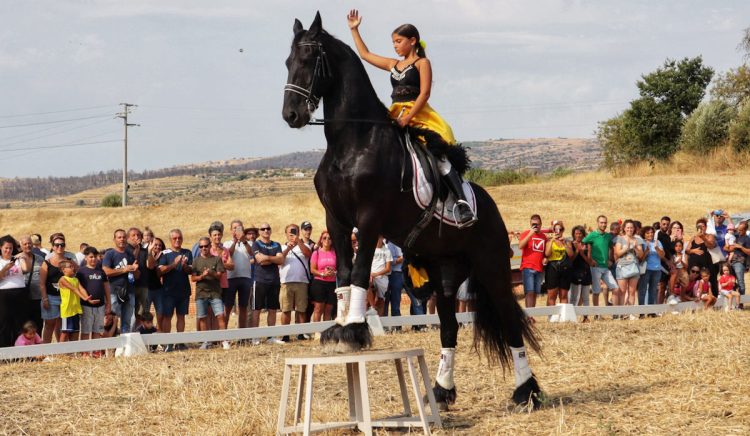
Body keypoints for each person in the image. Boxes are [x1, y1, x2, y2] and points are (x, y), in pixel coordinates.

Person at [346, 9, 476, 227]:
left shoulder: (422, 64)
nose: (395, 46)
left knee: (438, 156)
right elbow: (365, 55)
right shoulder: (392, 64)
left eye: (398, 41)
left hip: (419, 115)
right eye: (393, 42)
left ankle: (461, 203)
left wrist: (408, 118)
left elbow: (425, 94)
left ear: (412, 41)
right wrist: (354, 30)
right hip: (395, 114)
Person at [190, 237, 229, 349]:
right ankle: (206, 341)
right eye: (201, 246)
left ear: (209, 246)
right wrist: (202, 276)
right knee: (202, 317)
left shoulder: (217, 259)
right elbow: (193, 278)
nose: (203, 248)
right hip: (201, 293)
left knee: (220, 315)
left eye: (206, 246)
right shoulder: (196, 261)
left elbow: (219, 275)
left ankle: (224, 340)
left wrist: (211, 273)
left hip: (215, 292)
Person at [158, 229, 193, 346]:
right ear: (170, 240)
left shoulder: (187, 252)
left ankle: (180, 342)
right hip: (168, 291)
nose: (177, 240)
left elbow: (191, 270)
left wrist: (184, 266)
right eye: (175, 238)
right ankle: (168, 343)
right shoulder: (165, 253)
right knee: (167, 317)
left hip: (183, 291)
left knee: (181, 316)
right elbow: (160, 270)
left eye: (179, 238)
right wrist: (174, 264)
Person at [252, 223, 285, 345]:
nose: (266, 230)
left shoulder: (276, 244)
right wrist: (273, 258)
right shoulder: (256, 244)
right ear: (259, 232)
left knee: (272, 309)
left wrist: (267, 258)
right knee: (257, 309)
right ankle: (255, 337)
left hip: (274, 281)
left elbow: (281, 260)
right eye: (263, 229)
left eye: (268, 228)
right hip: (260, 280)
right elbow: (259, 260)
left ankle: (271, 336)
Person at [279, 224, 312, 342]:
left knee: (301, 309)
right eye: (290, 232)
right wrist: (288, 248)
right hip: (286, 282)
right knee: (286, 309)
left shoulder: (304, 245)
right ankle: (285, 334)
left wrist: (298, 242)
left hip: (302, 282)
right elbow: (280, 260)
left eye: (295, 232)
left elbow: (308, 254)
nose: (292, 234)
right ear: (286, 234)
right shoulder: (281, 247)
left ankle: (300, 333)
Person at [102, 229, 139, 333]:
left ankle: (124, 346)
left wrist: (135, 270)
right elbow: (106, 271)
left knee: (127, 321)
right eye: (119, 237)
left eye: (124, 237)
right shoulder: (110, 254)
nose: (122, 239)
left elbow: (136, 275)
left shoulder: (130, 254)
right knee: (112, 320)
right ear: (114, 239)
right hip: (114, 291)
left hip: (129, 291)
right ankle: (111, 346)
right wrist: (124, 269)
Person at [0, 235, 32, 347]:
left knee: (19, 322)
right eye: (6, 248)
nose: (8, 250)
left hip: (19, 292)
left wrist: (24, 257)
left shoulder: (17, 258)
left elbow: (26, 269)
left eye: (11, 248)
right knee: (4, 323)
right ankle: (4, 352)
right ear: (1, 248)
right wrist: (6, 268)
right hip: (4, 294)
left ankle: (20, 351)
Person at [224, 219, 255, 330]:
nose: (236, 230)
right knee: (227, 308)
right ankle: (224, 335)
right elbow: (228, 254)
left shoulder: (249, 243)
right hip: (231, 278)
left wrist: (244, 241)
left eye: (239, 228)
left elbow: (252, 254)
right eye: (234, 228)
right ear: (231, 230)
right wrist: (235, 242)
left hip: (245, 278)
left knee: (243, 308)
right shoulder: (227, 243)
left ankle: (242, 335)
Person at [57, 260, 98, 342]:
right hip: (67, 311)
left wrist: (88, 299)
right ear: (63, 269)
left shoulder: (76, 279)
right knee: (65, 333)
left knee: (75, 333)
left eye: (73, 266)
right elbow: (74, 289)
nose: (73, 268)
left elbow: (81, 289)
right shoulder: (62, 279)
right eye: (70, 267)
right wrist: (84, 298)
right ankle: (60, 353)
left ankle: (72, 353)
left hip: (75, 310)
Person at [38, 234, 69, 343]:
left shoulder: (69, 261)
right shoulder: (47, 262)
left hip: (66, 298)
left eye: (62, 245)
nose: (59, 247)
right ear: (53, 246)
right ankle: (45, 351)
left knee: (63, 325)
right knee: (49, 325)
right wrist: (45, 299)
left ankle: (61, 351)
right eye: (57, 245)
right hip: (51, 298)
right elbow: (41, 283)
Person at [77, 246, 111, 342]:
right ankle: (85, 353)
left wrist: (109, 303)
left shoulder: (101, 271)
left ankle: (96, 354)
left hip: (100, 306)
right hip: (86, 306)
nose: (93, 259)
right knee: (86, 331)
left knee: (98, 330)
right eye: (91, 257)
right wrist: (86, 298)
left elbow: (106, 287)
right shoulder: (81, 271)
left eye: (95, 257)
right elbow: (78, 288)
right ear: (86, 258)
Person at [613, 220, 644, 313]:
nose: (630, 229)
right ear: (624, 228)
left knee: (632, 292)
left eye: (631, 227)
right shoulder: (620, 238)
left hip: (634, 267)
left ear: (634, 229)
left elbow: (641, 255)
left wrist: (635, 247)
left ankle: (630, 313)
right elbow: (617, 253)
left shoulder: (637, 239)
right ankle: (622, 313)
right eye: (628, 227)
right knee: (622, 291)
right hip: (622, 267)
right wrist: (626, 248)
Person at [519, 215, 546, 309]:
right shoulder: (526, 233)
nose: (535, 226)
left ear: (541, 224)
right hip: (528, 267)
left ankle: (531, 315)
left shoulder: (543, 236)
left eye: (537, 224)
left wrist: (545, 259)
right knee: (529, 292)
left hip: (539, 268)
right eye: (533, 224)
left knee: (535, 293)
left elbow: (544, 252)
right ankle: (529, 316)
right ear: (530, 224)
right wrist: (530, 234)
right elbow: (521, 246)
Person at [309, 230, 337, 322]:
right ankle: (317, 331)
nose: (327, 240)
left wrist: (334, 272)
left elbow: (339, 269)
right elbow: (312, 270)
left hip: (332, 283)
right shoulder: (316, 253)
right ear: (321, 240)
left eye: (329, 238)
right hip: (319, 283)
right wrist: (322, 273)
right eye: (324, 238)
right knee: (318, 308)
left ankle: (326, 332)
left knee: (328, 309)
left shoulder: (335, 253)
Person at [543, 221, 573, 306]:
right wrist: (552, 240)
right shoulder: (549, 241)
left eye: (560, 229)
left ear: (563, 230)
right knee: (552, 295)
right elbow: (547, 254)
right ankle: (552, 316)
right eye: (556, 229)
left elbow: (570, 254)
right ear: (553, 230)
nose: (558, 231)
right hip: (553, 268)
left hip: (564, 269)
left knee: (564, 295)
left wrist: (564, 243)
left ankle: (563, 318)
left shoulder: (567, 241)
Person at [686, 218, 718, 296]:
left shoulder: (710, 236)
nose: (700, 228)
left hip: (706, 265)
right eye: (699, 226)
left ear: (706, 227)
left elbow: (711, 246)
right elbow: (687, 250)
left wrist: (703, 237)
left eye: (702, 226)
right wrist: (693, 251)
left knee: (709, 282)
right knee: (693, 284)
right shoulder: (693, 238)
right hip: (694, 267)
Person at [20, 236, 45, 335]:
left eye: (29, 243)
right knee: (24, 325)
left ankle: (38, 348)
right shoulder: (17, 259)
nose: (28, 245)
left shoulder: (40, 259)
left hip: (38, 298)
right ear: (21, 246)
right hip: (23, 299)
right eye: (25, 244)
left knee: (38, 325)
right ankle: (25, 349)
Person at [126, 227, 149, 331]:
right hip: (130, 286)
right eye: (133, 235)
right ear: (128, 238)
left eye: (138, 235)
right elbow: (131, 260)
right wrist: (138, 248)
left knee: (140, 313)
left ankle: (138, 334)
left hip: (143, 285)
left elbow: (150, 265)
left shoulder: (145, 251)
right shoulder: (125, 250)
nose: (136, 237)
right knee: (129, 313)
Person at [569, 225, 593, 321]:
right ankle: (572, 317)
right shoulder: (570, 244)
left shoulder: (587, 245)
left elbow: (589, 262)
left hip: (586, 272)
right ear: (573, 234)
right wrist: (577, 250)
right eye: (576, 233)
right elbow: (570, 260)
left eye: (580, 233)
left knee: (586, 297)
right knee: (573, 297)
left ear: (583, 234)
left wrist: (582, 252)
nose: (578, 235)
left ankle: (586, 317)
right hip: (574, 272)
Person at [638, 226, 664, 307]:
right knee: (642, 290)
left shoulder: (658, 242)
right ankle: (641, 311)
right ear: (644, 234)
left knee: (653, 290)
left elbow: (662, 256)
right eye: (648, 233)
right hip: (646, 270)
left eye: (652, 232)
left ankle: (651, 311)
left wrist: (656, 248)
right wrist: (646, 251)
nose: (650, 234)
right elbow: (640, 258)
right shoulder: (642, 242)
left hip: (657, 270)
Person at [144, 237, 165, 331]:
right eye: (155, 244)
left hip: (158, 289)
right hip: (146, 289)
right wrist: (153, 256)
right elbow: (149, 265)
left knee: (160, 314)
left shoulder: (163, 256)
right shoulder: (145, 254)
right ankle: (146, 334)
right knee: (145, 315)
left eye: (160, 245)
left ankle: (159, 334)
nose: (158, 247)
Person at [369, 236, 392, 316]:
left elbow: (388, 268)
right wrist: (371, 274)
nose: (378, 239)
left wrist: (376, 274)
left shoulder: (387, 251)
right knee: (367, 299)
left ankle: (380, 322)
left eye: (380, 237)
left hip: (382, 279)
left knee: (380, 301)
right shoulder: (370, 249)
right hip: (371, 277)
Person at [384, 240, 405, 320]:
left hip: (406, 272)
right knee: (395, 300)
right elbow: (391, 261)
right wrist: (401, 259)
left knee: (415, 300)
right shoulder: (391, 244)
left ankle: (420, 325)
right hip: (395, 273)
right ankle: (396, 325)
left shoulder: (407, 241)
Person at [655, 216, 674, 304]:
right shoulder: (657, 235)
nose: (665, 226)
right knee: (661, 286)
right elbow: (657, 250)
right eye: (664, 224)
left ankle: (661, 307)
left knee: (664, 286)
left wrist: (671, 261)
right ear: (660, 224)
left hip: (667, 264)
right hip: (659, 263)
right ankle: (658, 307)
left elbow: (669, 251)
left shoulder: (667, 236)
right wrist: (667, 261)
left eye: (667, 224)